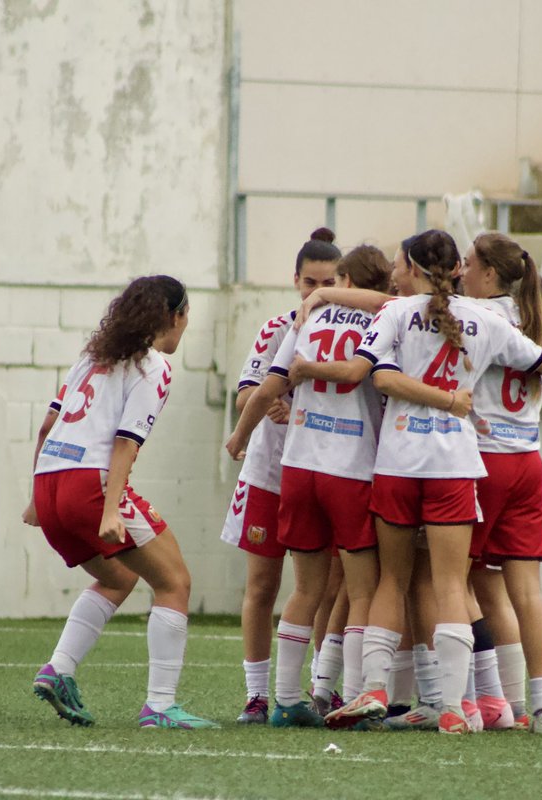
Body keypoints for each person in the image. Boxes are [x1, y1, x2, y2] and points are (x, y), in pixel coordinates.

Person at [298, 229, 542, 734]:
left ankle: (374, 689)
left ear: (414, 267)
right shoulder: (485, 318)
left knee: (393, 580)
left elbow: (377, 376)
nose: (393, 273)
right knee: (449, 584)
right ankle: (453, 708)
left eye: (399, 264)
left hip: (399, 462)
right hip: (457, 465)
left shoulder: (396, 313)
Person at [225, 245, 472, 728]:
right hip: (352, 468)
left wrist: (239, 436)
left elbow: (271, 386)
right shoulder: (389, 317)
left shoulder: (306, 320)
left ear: (341, 279)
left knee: (306, 590)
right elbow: (370, 372)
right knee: (363, 590)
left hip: (298, 467)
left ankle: (286, 700)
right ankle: (358, 698)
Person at [22, 275, 217, 729]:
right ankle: (161, 707)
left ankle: (59, 669)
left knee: (119, 577)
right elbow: (125, 444)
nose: (185, 326)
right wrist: (111, 510)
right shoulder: (153, 368)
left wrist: (36, 498)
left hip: (51, 485)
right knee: (175, 582)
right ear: (174, 316)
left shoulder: (91, 358)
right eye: (185, 316)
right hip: (89, 485)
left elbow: (46, 427)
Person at [221, 229, 340, 723]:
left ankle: (319, 685)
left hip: (321, 470)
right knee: (263, 585)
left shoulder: (351, 330)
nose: (315, 292)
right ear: (295, 279)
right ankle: (256, 695)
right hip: (269, 473)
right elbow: (245, 395)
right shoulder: (276, 327)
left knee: (325, 588)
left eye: (327, 282)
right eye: (308, 281)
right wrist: (271, 403)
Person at [461, 232, 542, 735]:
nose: (460, 273)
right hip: (528, 461)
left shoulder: (476, 313)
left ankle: (474, 699)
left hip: (485, 460)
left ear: (488, 274)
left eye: (466, 264)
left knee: (450, 578)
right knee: (522, 591)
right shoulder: (530, 316)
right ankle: (537, 705)